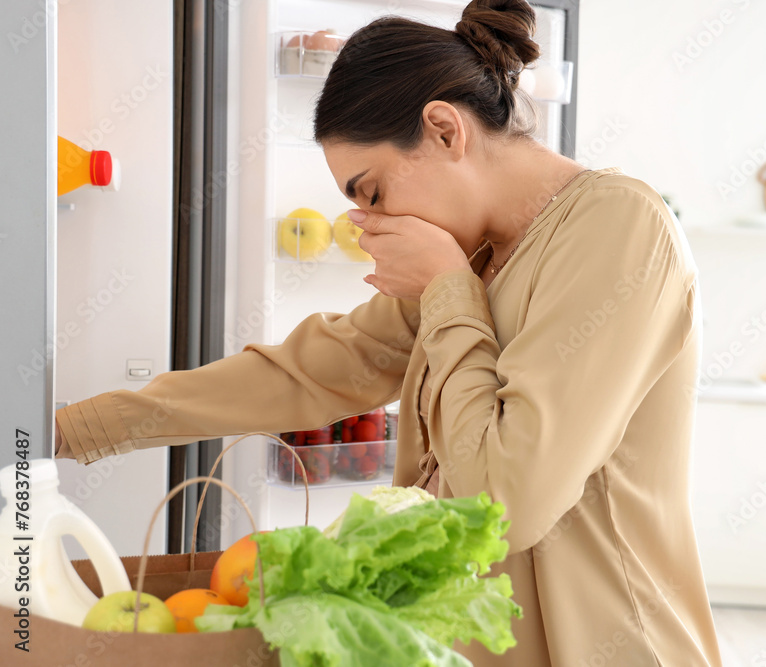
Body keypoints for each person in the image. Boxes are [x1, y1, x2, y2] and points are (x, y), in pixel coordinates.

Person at [55, 1, 722, 664]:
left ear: (442, 130)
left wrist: (444, 287)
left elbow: (510, 496)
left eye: (371, 192)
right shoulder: (475, 253)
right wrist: (71, 428)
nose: (367, 225)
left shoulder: (617, 228)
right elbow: (309, 370)